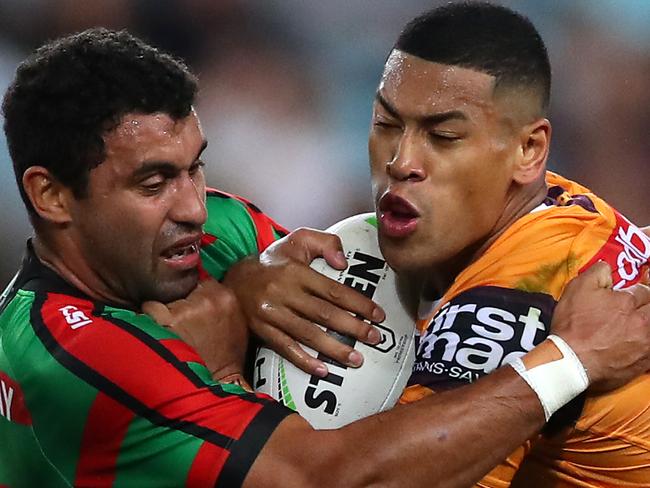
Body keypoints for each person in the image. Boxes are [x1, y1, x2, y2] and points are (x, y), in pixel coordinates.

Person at [0, 27, 649, 488]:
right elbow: (323, 476)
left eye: (195, 168)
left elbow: (363, 298)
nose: (194, 207)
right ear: (51, 194)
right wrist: (572, 360)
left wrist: (251, 276)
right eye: (153, 182)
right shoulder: (68, 363)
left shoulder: (203, 233)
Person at [236, 3, 650, 487]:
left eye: (444, 136)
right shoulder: (552, 214)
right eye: (386, 124)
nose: (401, 160)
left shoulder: (520, 303)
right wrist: (246, 278)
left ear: (529, 151)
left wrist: (227, 362)